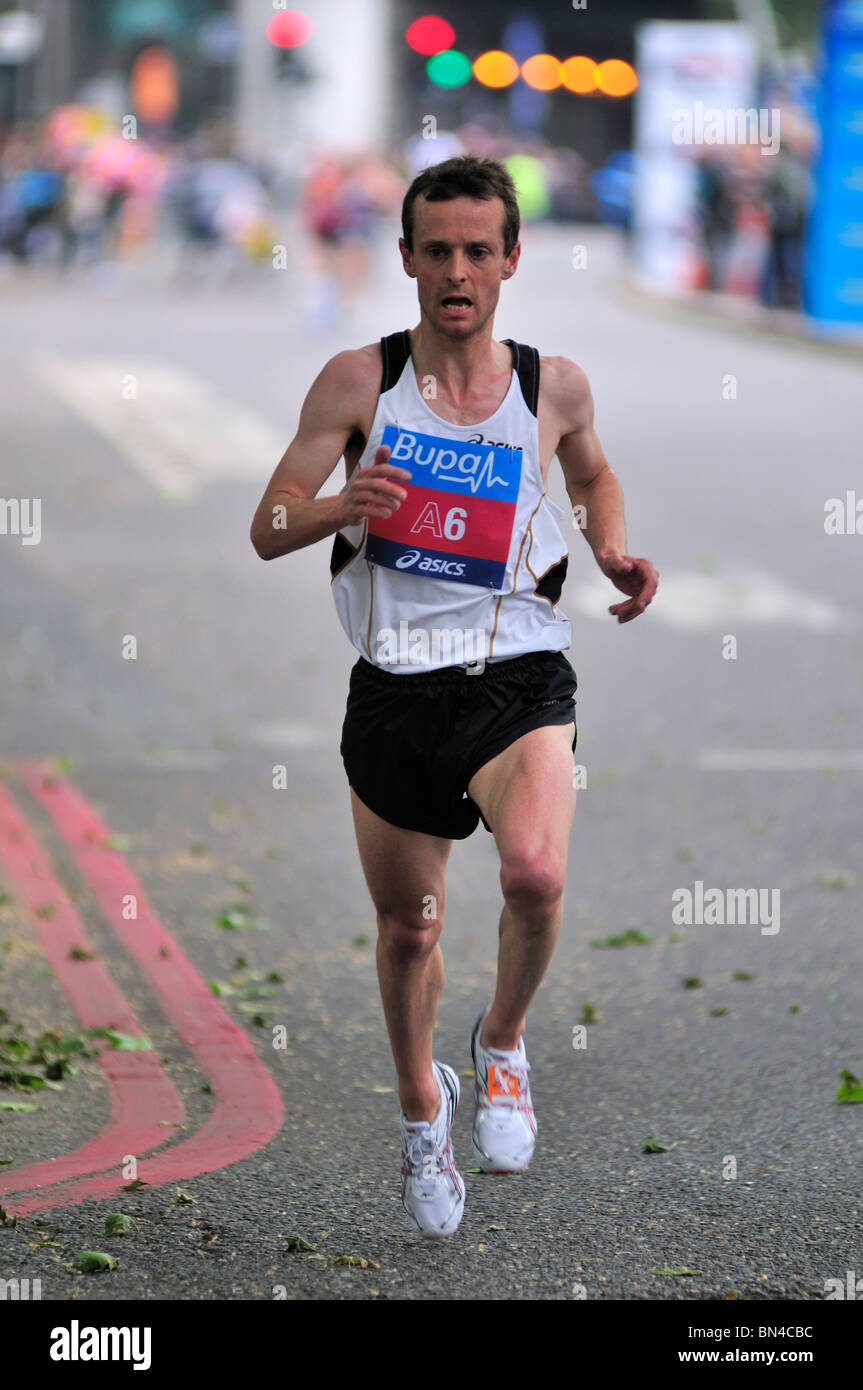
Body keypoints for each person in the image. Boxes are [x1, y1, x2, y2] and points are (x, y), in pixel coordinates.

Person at [251, 156, 658, 1238]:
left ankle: (504, 1041)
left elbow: (591, 471)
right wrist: (344, 502)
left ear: (510, 259)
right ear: (406, 261)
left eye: (478, 249)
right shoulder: (356, 381)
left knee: (535, 873)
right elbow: (268, 526)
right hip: (394, 693)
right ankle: (421, 1110)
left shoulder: (549, 384)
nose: (457, 270)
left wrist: (609, 543)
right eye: (436, 250)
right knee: (405, 933)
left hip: (517, 674)